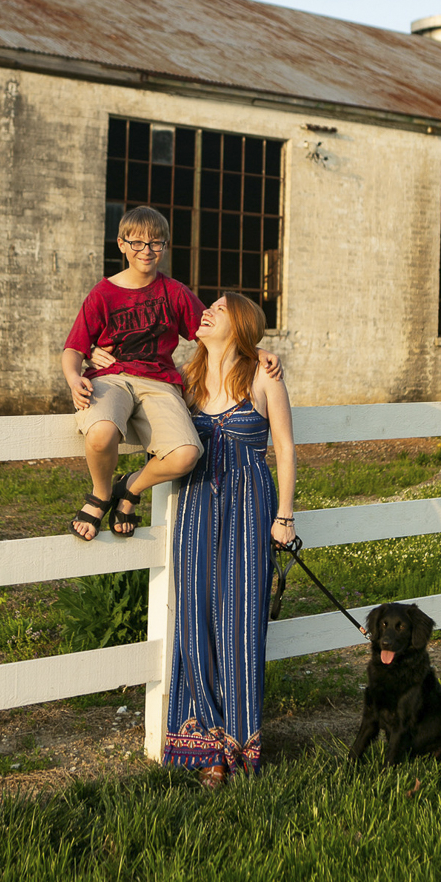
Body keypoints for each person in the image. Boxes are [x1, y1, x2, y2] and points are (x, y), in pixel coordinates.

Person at [62, 206, 280, 541]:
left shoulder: (174, 292)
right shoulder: (103, 293)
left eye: (155, 243)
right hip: (111, 379)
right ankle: (101, 494)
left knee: (185, 455)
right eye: (136, 243)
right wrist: (74, 377)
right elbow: (74, 348)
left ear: (165, 246)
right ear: (121, 244)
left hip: (159, 383)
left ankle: (131, 487)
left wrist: (257, 350)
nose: (146, 251)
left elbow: (211, 331)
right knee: (101, 433)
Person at [163, 292, 297, 787]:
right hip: (196, 502)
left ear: (238, 323)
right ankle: (206, 745)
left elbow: (284, 448)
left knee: (239, 622)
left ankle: (239, 743)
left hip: (249, 504)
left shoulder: (263, 376)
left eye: (218, 308)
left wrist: (284, 516)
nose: (206, 311)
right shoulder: (185, 379)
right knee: (195, 614)